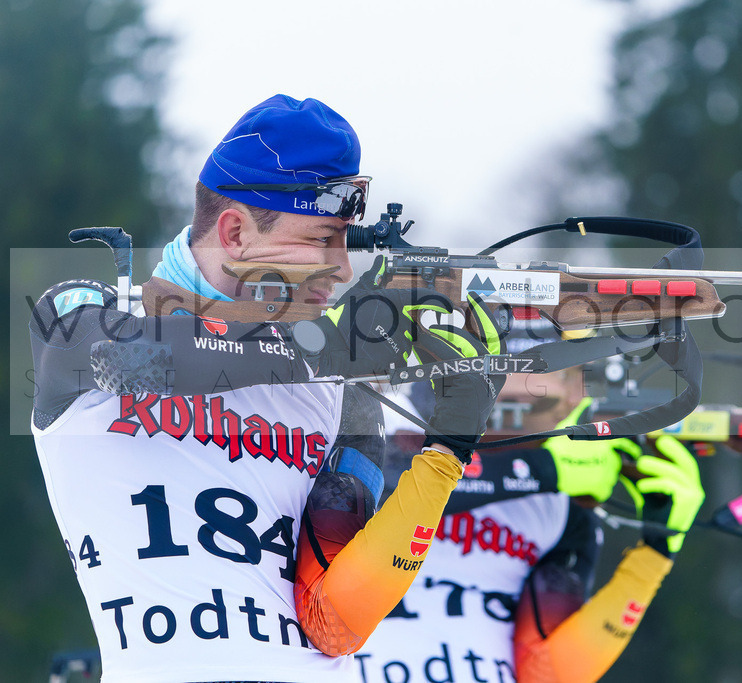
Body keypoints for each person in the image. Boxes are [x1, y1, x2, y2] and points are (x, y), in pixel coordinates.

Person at [29, 94, 503, 682]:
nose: (343, 270)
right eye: (321, 239)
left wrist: (450, 445)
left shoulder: (341, 388)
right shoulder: (83, 311)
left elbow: (336, 622)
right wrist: (324, 345)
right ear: (234, 233)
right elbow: (130, 361)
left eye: (345, 242)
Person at [345, 319, 706, 683]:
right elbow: (390, 474)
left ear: (575, 395)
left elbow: (546, 674)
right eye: (498, 386)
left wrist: (654, 555)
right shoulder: (383, 420)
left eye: (539, 398)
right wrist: (543, 468)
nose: (510, 414)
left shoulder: (561, 507)